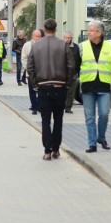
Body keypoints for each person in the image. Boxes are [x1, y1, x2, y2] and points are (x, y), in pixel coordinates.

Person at [27, 19, 75, 161]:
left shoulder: (36, 46)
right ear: (56, 29)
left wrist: (35, 84)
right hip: (60, 86)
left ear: (44, 29)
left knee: (45, 120)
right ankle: (56, 149)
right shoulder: (63, 45)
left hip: (43, 87)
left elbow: (30, 68)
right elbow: (71, 66)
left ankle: (47, 151)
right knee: (58, 119)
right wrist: (67, 84)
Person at [76, 20, 111, 153]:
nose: (88, 32)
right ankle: (92, 143)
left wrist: (108, 77)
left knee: (104, 114)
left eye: (91, 30)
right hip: (87, 87)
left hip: (103, 87)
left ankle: (101, 138)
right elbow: (76, 65)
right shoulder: (82, 46)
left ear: (99, 32)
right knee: (89, 117)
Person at [21, 29, 41, 115]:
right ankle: (34, 107)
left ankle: (39, 105)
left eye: (40, 36)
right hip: (31, 73)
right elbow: (24, 58)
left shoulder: (43, 45)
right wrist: (28, 68)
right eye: (37, 36)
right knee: (32, 90)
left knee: (41, 91)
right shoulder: (27, 45)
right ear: (33, 36)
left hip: (41, 73)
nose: (38, 38)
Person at [63, 31, 80, 114]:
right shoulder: (60, 46)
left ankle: (68, 107)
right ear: (63, 37)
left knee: (71, 91)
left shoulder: (76, 47)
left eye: (69, 38)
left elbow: (78, 59)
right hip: (62, 73)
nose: (68, 39)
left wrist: (77, 70)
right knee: (62, 91)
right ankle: (61, 106)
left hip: (72, 73)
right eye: (66, 37)